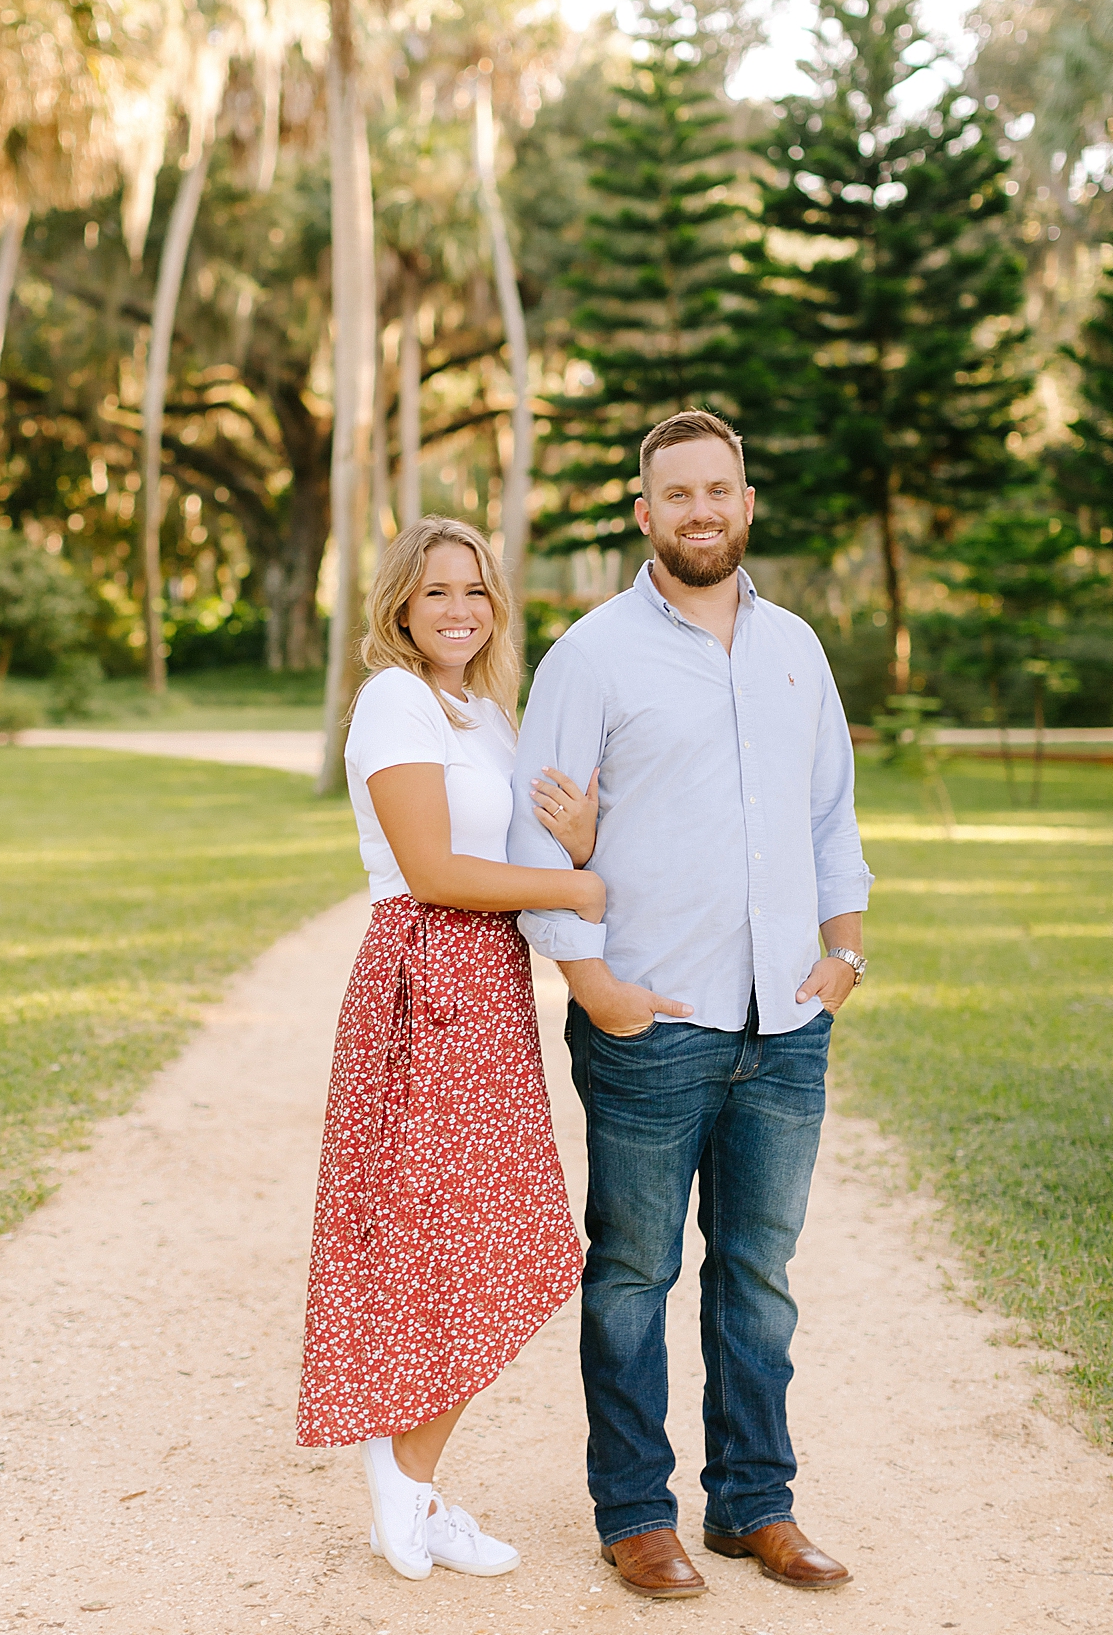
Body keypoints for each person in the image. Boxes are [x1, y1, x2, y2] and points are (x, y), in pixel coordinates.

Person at [509, 408, 873, 1603]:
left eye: (720, 489)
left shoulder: (797, 649)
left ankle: (754, 1504)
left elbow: (830, 813)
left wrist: (845, 954)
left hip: (785, 1025)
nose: (701, 509)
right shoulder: (593, 652)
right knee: (631, 1273)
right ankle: (634, 1513)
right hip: (652, 1025)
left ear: (747, 500)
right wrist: (595, 984)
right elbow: (537, 835)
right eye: (679, 493)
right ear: (645, 509)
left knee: (759, 1273)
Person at [296, 516, 600, 1584]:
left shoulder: (486, 710)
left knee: (488, 1235)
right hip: (427, 978)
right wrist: (572, 884)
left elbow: (515, 843)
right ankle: (405, 1483)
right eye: (436, 593)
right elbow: (430, 867)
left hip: (489, 983)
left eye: (474, 589)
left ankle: (408, 1483)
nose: (459, 608)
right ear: (400, 606)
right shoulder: (395, 699)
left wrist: (578, 840)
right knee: (453, 1232)